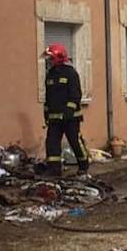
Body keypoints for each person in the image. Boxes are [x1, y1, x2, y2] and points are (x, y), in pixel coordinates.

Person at [42, 43, 89, 176]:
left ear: (58, 57)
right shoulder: (50, 74)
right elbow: (48, 96)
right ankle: (54, 169)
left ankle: (83, 166)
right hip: (54, 118)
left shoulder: (70, 73)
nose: (49, 61)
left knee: (75, 141)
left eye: (51, 58)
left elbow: (76, 95)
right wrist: (46, 112)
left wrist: (68, 111)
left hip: (71, 118)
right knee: (51, 143)